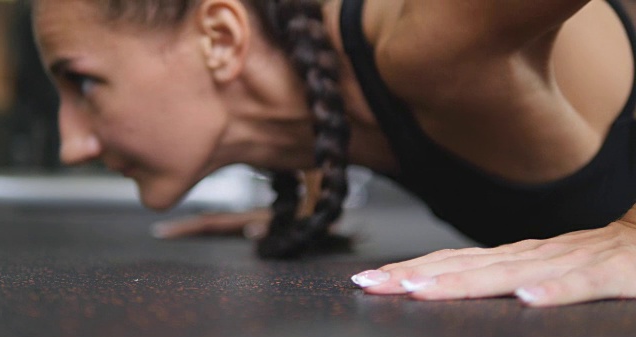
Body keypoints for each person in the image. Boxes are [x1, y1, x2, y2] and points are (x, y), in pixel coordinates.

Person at [31, 0, 636, 307]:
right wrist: (310, 193)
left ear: (221, 37)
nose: (73, 144)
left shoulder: (429, 42)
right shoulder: (322, 91)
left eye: (82, 83)